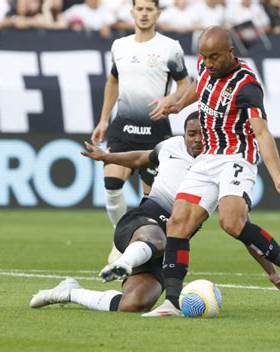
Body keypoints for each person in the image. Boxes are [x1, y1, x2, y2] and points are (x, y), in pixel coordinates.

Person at [29, 113, 280, 313]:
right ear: (184, 135)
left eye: (202, 133)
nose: (196, 139)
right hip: (140, 223)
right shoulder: (170, 147)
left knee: (134, 304)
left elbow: (242, 226)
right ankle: (125, 261)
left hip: (169, 250)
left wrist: (271, 271)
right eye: (191, 133)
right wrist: (107, 157)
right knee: (159, 237)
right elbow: (139, 158)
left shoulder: (223, 169)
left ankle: (71, 292)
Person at [143, 26, 280, 317]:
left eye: (214, 57)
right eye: (204, 57)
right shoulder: (205, 66)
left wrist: (278, 178)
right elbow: (199, 86)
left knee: (231, 221)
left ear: (230, 52)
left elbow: (262, 133)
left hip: (236, 157)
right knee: (177, 223)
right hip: (207, 157)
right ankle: (172, 302)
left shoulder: (247, 87)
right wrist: (177, 103)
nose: (209, 63)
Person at [90, 0, 190, 264]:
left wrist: (172, 101)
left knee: (152, 201)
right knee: (111, 184)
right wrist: (103, 120)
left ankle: (153, 249)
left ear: (157, 13)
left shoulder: (170, 48)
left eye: (149, 9)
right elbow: (113, 80)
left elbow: (185, 84)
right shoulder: (119, 46)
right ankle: (121, 238)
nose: (144, 14)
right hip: (122, 128)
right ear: (132, 12)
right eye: (140, 9)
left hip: (156, 134)